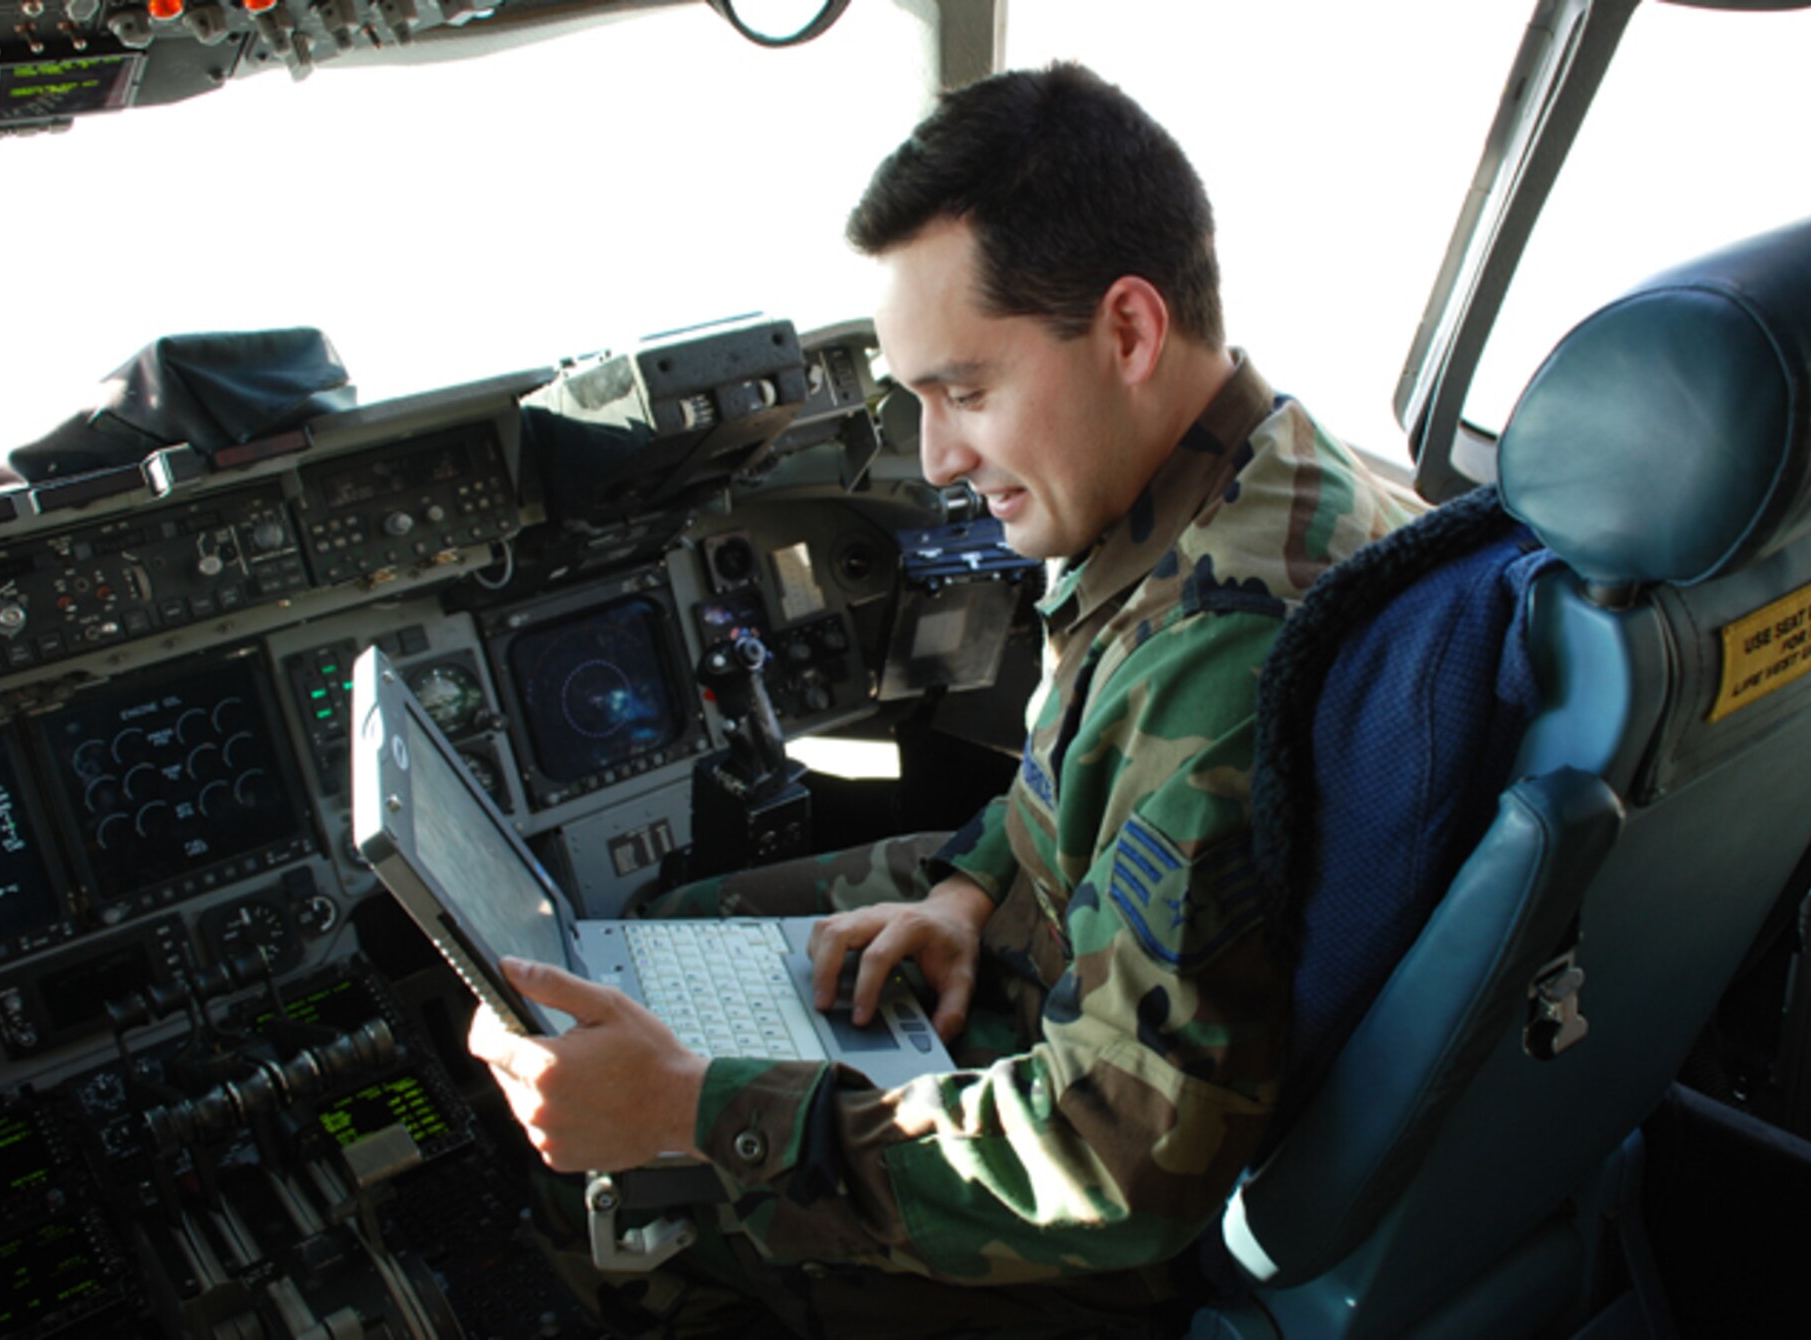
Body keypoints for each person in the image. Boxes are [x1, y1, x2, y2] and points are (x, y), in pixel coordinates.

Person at [470, 61, 1422, 1335]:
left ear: (1130, 331)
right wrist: (970, 890)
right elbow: (1087, 777)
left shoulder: (1216, 662)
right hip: (1090, 985)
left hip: (1109, 1194)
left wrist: (693, 1114)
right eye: (916, 400)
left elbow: (1111, 1159)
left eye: (966, 393)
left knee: (613, 1184)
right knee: (681, 930)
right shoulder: (1273, 472)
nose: (935, 459)